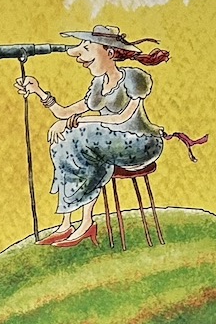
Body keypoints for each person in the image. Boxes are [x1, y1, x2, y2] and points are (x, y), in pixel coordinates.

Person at [14, 24, 172, 246]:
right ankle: (68, 223)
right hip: (108, 145)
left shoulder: (134, 78)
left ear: (109, 53)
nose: (81, 56)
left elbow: (121, 119)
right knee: (65, 142)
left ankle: (86, 223)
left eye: (87, 48)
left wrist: (74, 122)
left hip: (142, 144)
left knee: (84, 136)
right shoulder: (99, 84)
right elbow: (65, 112)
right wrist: (38, 91)